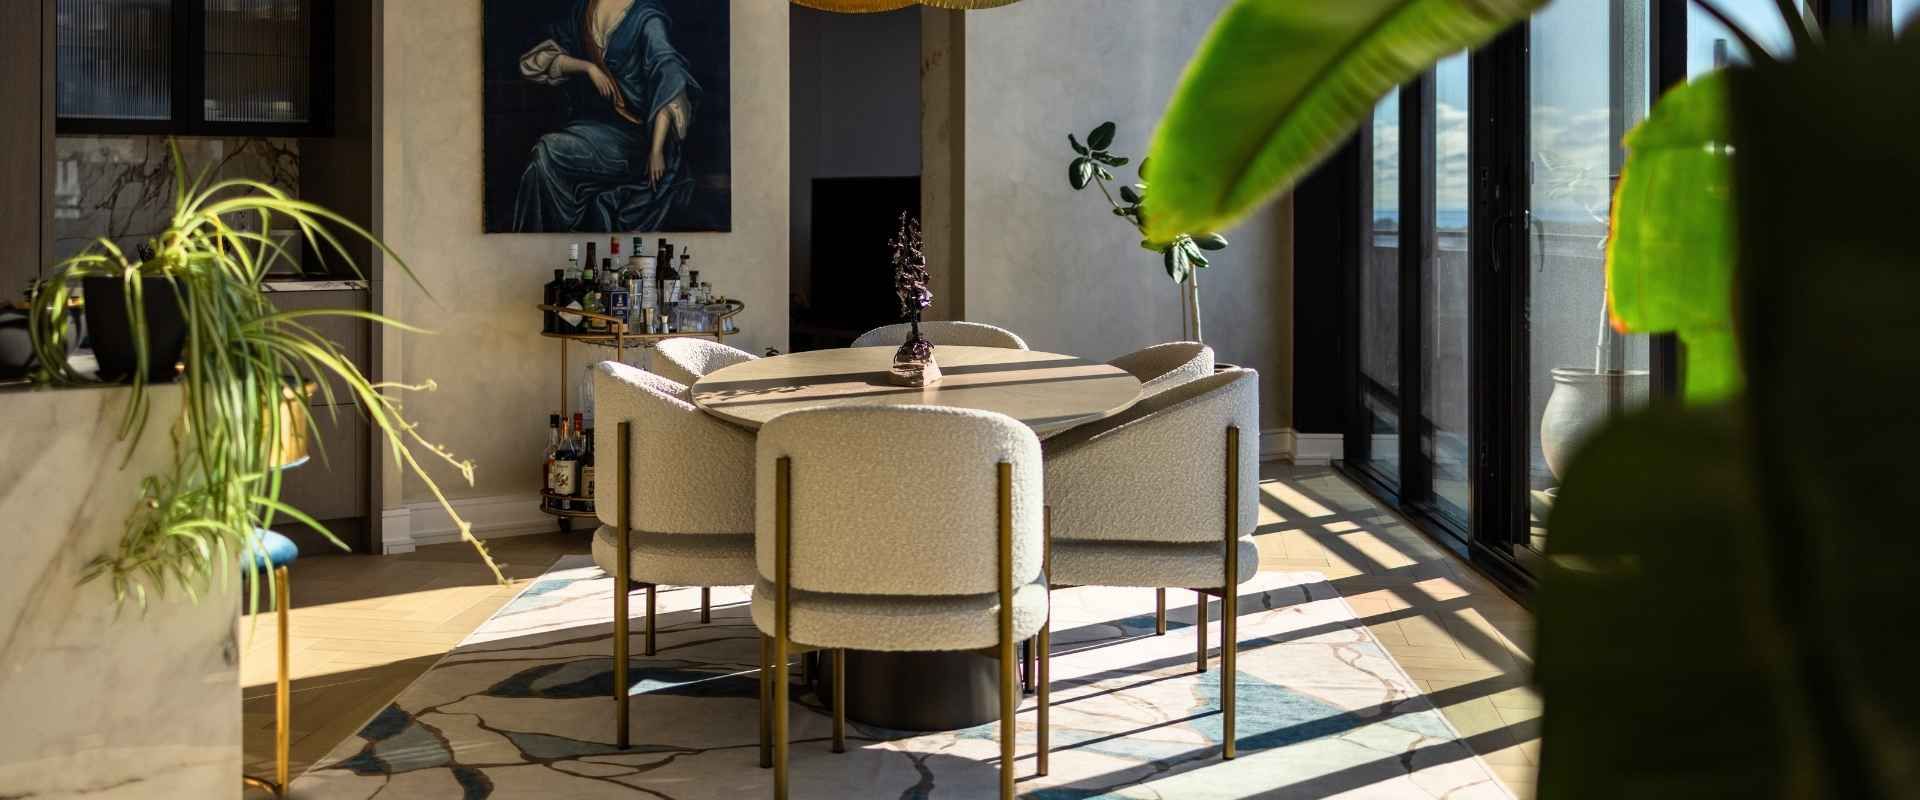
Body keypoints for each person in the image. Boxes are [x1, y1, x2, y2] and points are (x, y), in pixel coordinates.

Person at [513, 0, 699, 232]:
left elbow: (669, 82)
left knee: (546, 152)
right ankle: (533, 245)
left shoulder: (646, 19)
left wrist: (656, 150)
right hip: (590, 129)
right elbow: (534, 63)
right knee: (542, 159)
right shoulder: (584, 10)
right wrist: (589, 68)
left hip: (634, 139)